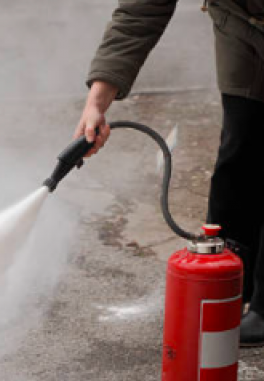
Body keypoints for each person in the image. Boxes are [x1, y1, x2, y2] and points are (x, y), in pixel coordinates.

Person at [76, 0, 264, 347]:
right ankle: (225, 281)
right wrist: (97, 102)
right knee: (240, 145)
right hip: (240, 22)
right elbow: (139, 11)